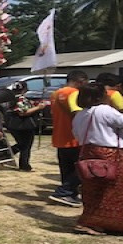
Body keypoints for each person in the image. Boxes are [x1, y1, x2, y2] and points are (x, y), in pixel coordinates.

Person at [72, 83, 123, 235]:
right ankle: (106, 222)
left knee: (92, 189)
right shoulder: (105, 110)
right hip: (110, 153)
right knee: (113, 189)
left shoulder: (79, 115)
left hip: (88, 152)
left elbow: (78, 135)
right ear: (101, 96)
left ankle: (91, 220)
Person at [49, 70, 89, 207]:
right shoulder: (75, 93)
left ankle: (69, 194)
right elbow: (78, 114)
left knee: (66, 169)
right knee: (80, 168)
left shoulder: (55, 93)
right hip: (74, 136)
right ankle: (64, 192)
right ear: (81, 81)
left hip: (60, 135)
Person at [6, 81, 45, 171]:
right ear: (24, 89)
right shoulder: (21, 99)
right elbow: (23, 112)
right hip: (23, 125)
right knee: (26, 145)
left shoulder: (11, 98)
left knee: (22, 144)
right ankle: (24, 165)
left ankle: (8, 154)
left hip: (13, 125)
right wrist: (39, 108)